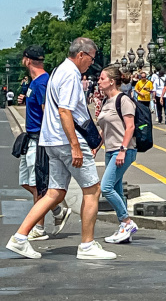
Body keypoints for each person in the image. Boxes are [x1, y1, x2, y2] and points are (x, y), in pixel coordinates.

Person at [6, 37, 116, 260]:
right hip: (67, 140)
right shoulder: (71, 75)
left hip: (51, 140)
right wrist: (76, 145)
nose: (90, 65)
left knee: (54, 192)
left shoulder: (58, 70)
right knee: (92, 190)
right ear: (81, 54)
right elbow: (65, 111)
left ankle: (19, 237)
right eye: (91, 59)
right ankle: (87, 245)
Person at [17, 46, 72, 242]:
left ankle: (38, 228)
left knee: (38, 184)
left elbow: (47, 111)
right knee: (27, 182)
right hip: (32, 137)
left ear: (27, 60)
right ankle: (56, 208)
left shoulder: (41, 84)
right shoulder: (35, 83)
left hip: (40, 138)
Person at [95, 66, 139, 242]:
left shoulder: (124, 100)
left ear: (112, 81)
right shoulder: (107, 102)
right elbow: (104, 130)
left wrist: (122, 150)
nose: (99, 81)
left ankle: (126, 221)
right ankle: (124, 230)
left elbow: (130, 126)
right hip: (110, 150)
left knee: (106, 188)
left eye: (102, 78)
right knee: (117, 190)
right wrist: (96, 148)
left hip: (123, 150)